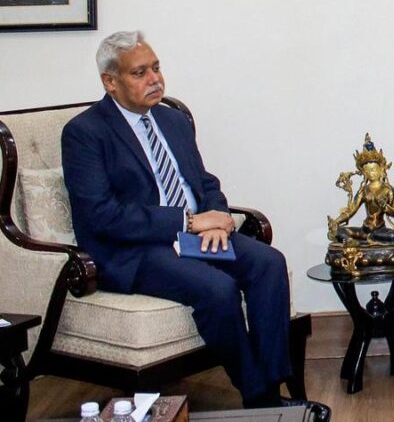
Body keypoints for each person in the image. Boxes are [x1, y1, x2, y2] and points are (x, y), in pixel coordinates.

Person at [61, 31, 295, 408]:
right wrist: (187, 222)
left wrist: (219, 217)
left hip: (196, 235)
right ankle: (259, 398)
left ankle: (272, 385)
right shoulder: (85, 133)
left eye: (156, 68)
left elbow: (203, 181)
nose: (155, 79)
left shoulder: (172, 120)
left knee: (269, 263)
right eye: (140, 73)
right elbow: (102, 214)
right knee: (217, 289)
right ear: (110, 81)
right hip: (137, 249)